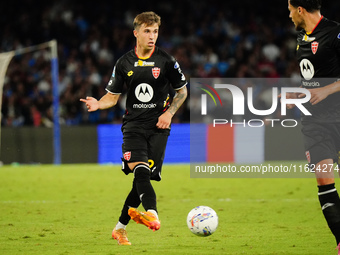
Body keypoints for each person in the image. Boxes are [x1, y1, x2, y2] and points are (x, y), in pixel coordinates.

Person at [80, 11, 187, 245]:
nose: (152, 36)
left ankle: (119, 229)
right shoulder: (124, 62)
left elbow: (182, 91)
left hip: (159, 127)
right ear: (136, 33)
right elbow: (112, 96)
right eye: (147, 31)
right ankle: (153, 214)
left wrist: (169, 114)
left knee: (142, 179)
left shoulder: (167, 61)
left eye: (155, 31)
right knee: (140, 171)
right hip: (134, 127)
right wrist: (99, 103)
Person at [287, 0, 340, 252]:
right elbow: (310, 82)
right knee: (324, 181)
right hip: (314, 121)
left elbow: (324, 86)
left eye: (289, 10)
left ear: (300, 9)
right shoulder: (301, 37)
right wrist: (296, 95)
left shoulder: (335, 33)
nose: (288, 16)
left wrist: (328, 90)